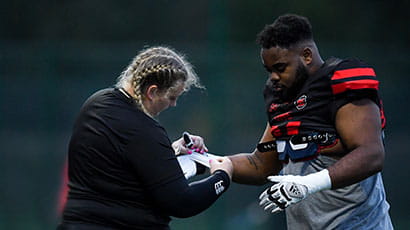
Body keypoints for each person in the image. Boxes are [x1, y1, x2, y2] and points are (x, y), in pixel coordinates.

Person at [228, 14, 393, 229]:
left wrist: (309, 184)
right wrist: (203, 162)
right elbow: (259, 165)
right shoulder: (281, 100)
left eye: (280, 68)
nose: (273, 77)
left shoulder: (339, 84)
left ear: (306, 55)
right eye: (269, 71)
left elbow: (372, 154)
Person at [57, 46, 233, 230]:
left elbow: (120, 167)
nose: (174, 104)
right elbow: (182, 202)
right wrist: (222, 177)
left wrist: (167, 153)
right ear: (152, 92)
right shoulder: (144, 131)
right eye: (172, 97)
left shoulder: (95, 104)